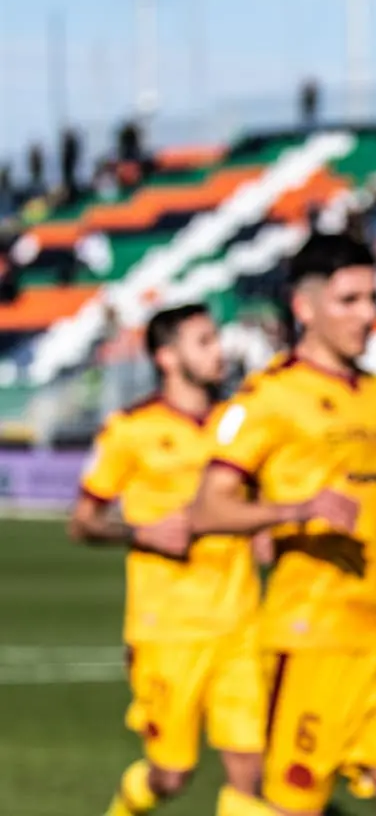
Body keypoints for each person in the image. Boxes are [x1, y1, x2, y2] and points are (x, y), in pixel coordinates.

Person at [190, 233, 376, 816]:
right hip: (312, 642)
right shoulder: (266, 398)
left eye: (372, 298)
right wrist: (293, 511)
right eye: (348, 299)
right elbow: (207, 508)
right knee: (289, 805)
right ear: (304, 307)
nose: (368, 314)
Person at [71, 304, 274, 816]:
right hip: (167, 630)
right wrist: (142, 532)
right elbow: (83, 522)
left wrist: (263, 530)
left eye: (216, 339)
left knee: (249, 775)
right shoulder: (129, 429)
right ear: (167, 356)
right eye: (203, 341)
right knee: (171, 774)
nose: (218, 351)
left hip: (240, 622)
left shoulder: (238, 422)